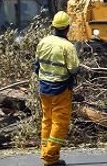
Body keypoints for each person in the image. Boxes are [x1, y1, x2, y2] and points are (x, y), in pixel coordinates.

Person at [34, 10, 79, 166]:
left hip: (44, 88)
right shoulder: (68, 47)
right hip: (61, 89)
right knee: (60, 123)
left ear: (53, 26)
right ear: (67, 27)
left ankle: (46, 153)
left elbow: (36, 65)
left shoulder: (43, 42)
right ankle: (50, 157)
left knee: (47, 120)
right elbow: (73, 69)